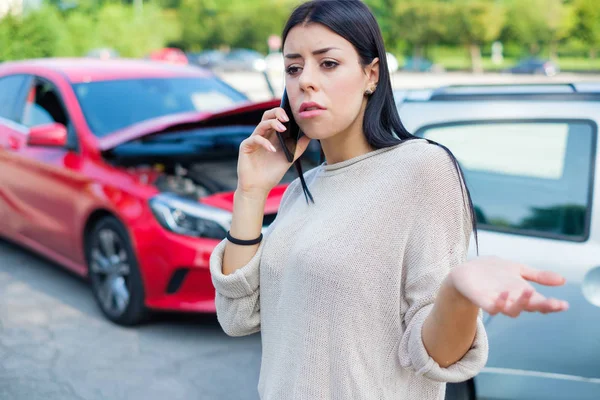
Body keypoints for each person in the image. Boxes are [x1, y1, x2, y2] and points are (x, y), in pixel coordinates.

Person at [209, 1, 569, 399]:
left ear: (371, 75)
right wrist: (251, 192)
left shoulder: (421, 168)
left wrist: (457, 294)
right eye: (293, 68)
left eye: (327, 63)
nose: (305, 81)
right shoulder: (299, 191)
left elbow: (435, 357)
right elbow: (237, 317)